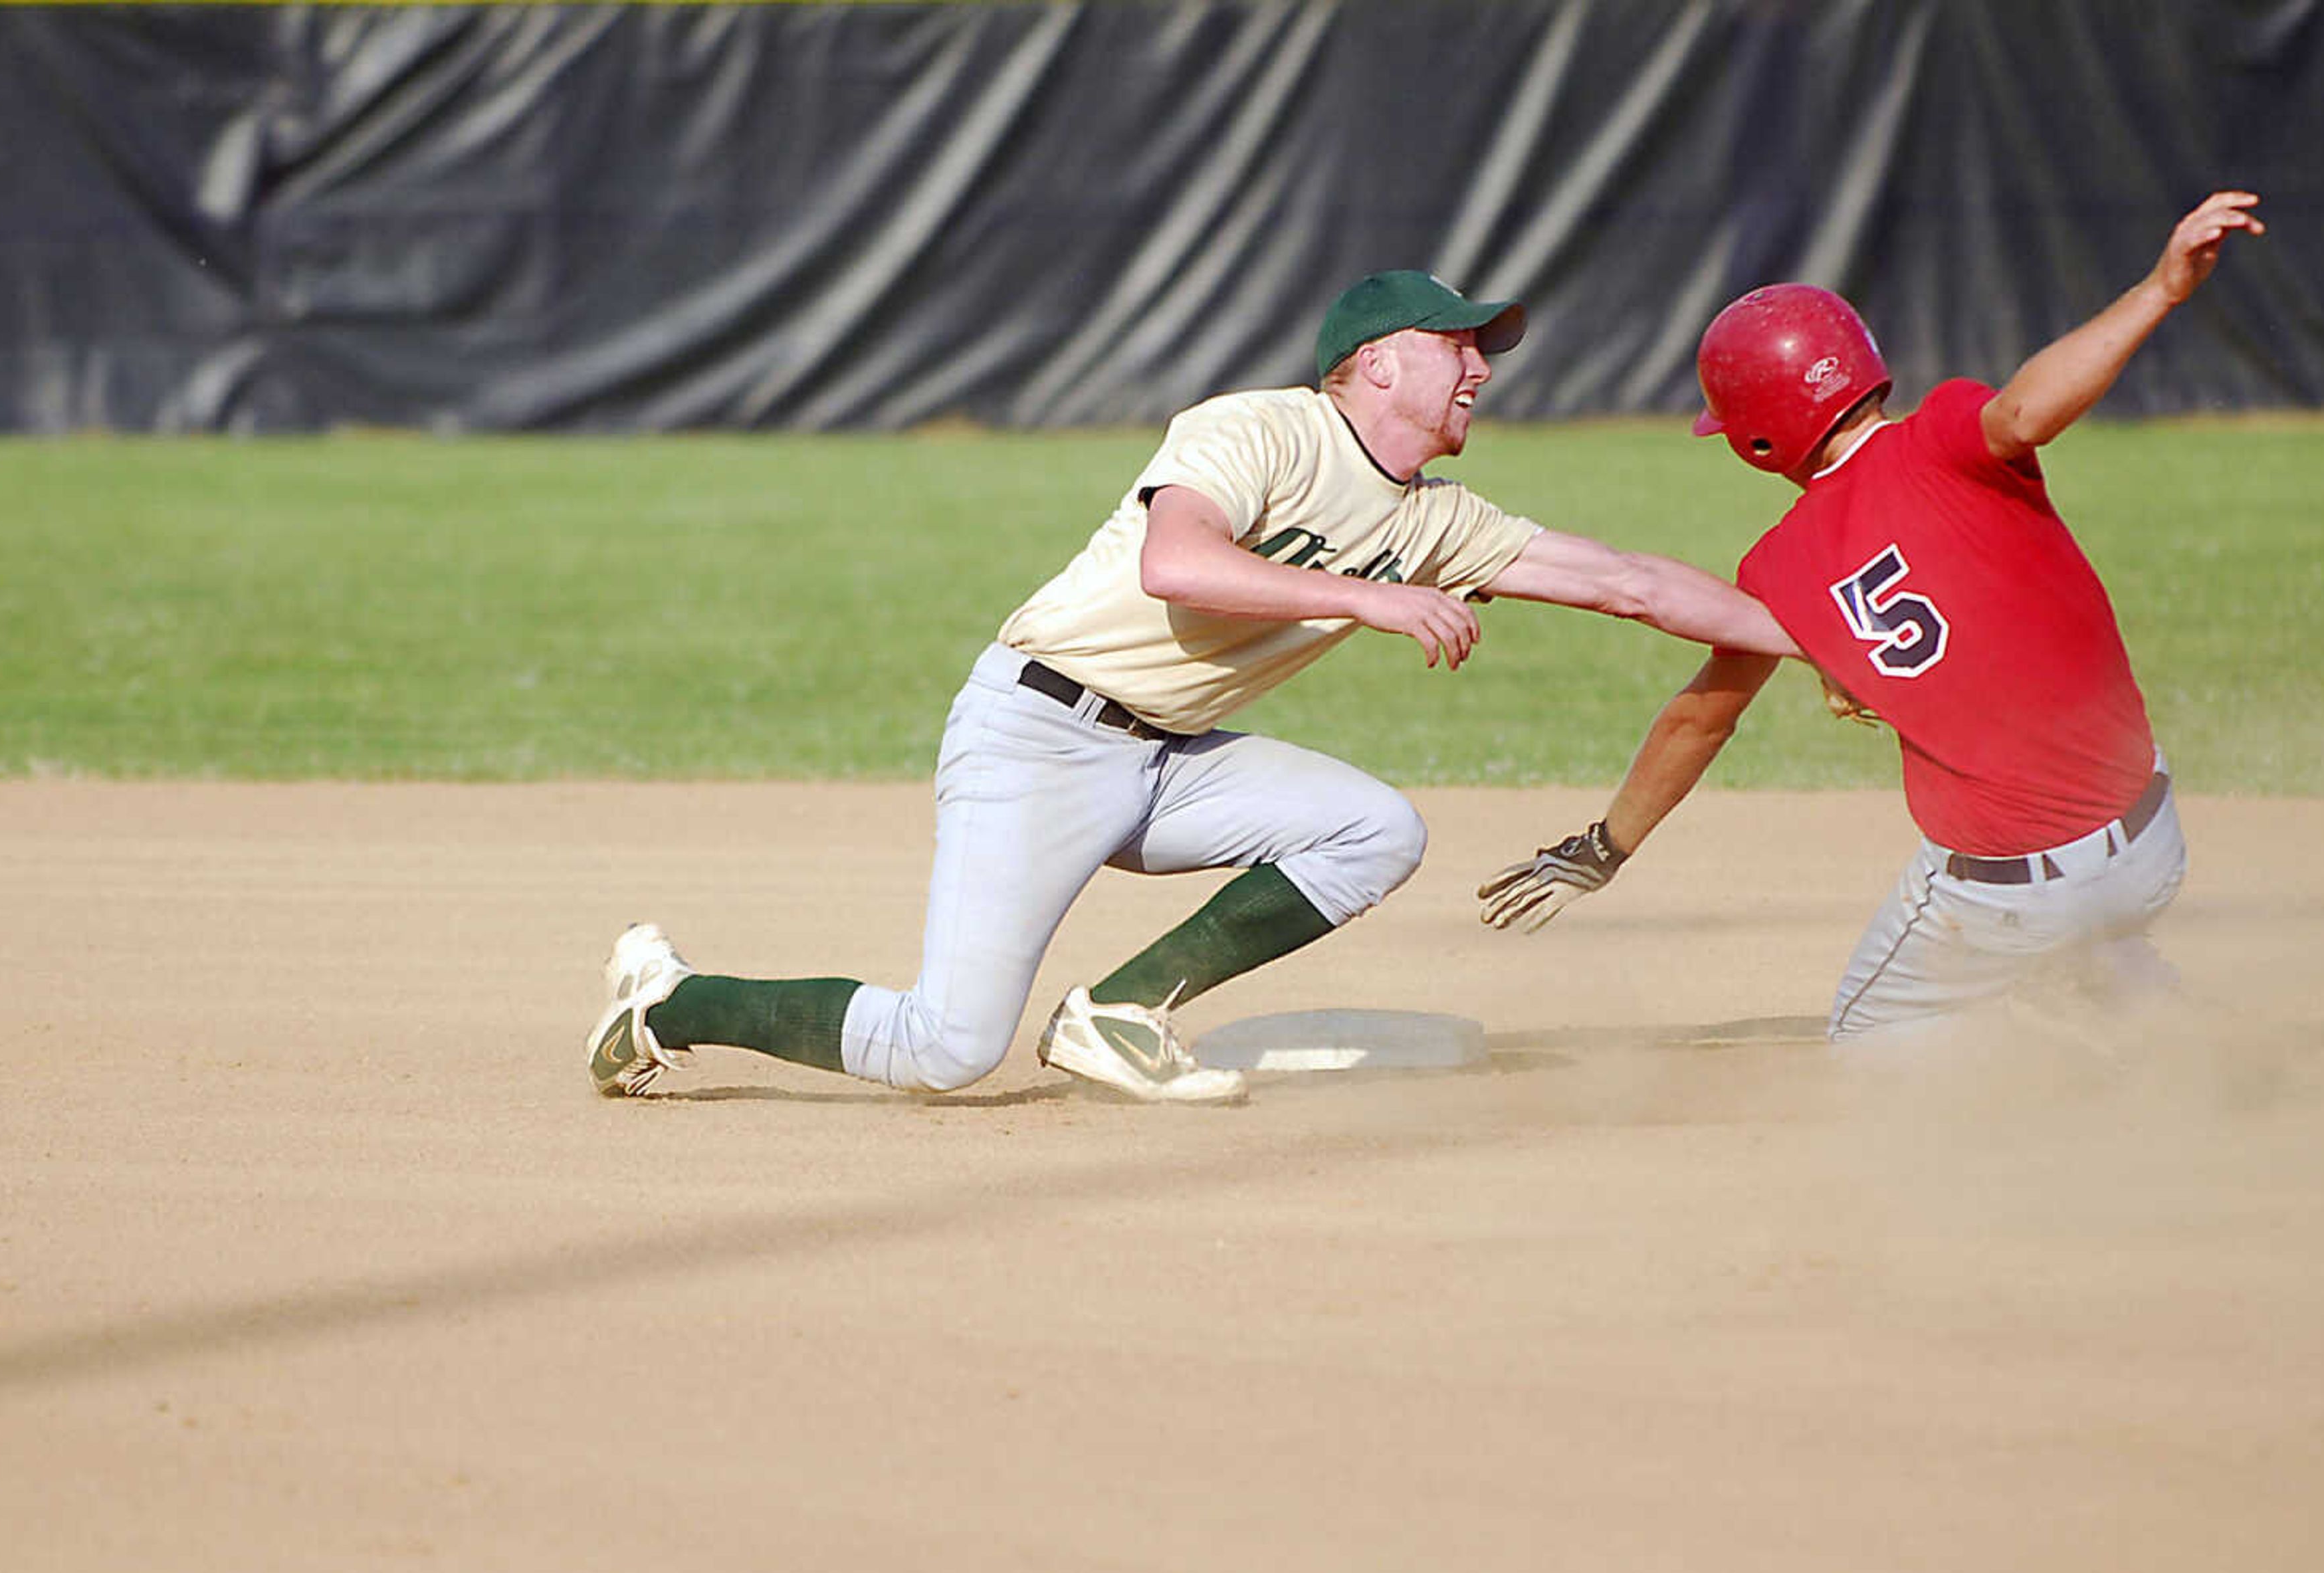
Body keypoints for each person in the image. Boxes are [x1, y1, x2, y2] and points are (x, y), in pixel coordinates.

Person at [587, 268, 1799, 1104]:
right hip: (1040, 735)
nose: (1482, 364)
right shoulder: (1258, 430)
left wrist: (1825, 644)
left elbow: (1632, 582)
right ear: (1376, 363)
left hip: (1166, 758)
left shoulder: (1440, 520)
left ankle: (1118, 1014)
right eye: (1459, 343)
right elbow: (1179, 562)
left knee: (1374, 829)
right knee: (947, 1049)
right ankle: (673, 1000)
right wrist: (1367, 598)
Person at [1477, 191, 2266, 1041]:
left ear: (1758, 439)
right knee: (2080, 933)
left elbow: (1698, 720)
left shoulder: (1781, 565)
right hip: (2153, 848)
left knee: (1869, 1046)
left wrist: (1605, 847)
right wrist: (2159, 290)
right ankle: (2166, 1027)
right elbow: (2026, 412)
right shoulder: (1948, 437)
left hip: (2013, 894)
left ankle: (2068, 1086)